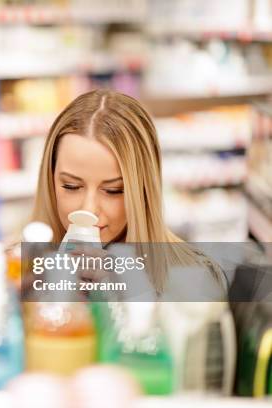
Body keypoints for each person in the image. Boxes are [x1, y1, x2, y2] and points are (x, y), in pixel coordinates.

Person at [31, 89, 227, 298]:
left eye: (112, 190)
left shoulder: (195, 279)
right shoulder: (22, 269)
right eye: (70, 186)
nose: (88, 209)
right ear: (50, 178)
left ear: (142, 190)